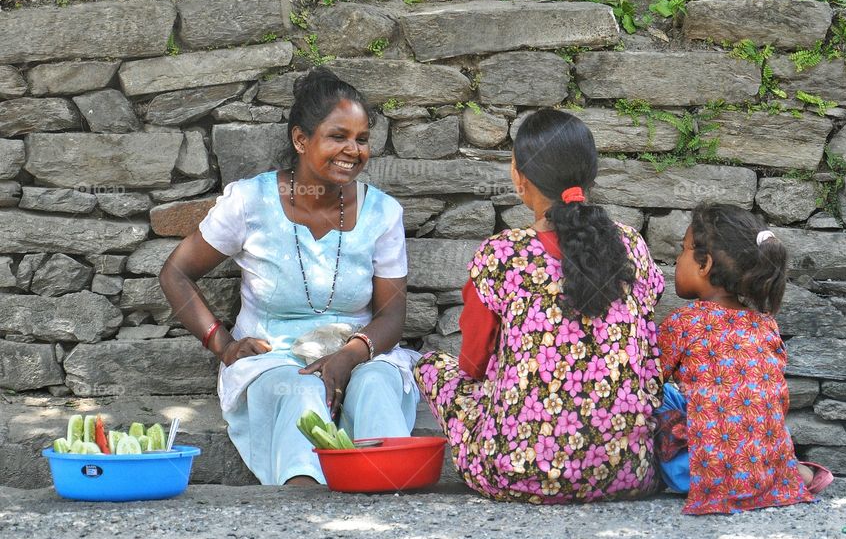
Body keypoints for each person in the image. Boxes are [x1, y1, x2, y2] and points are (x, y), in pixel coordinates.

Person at [159, 68, 419, 486]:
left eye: (362, 139)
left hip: (360, 352)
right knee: (299, 391)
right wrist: (222, 344)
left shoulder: (382, 212)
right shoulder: (251, 201)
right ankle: (301, 511)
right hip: (274, 360)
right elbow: (176, 272)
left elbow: (392, 315)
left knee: (376, 385)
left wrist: (349, 357)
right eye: (338, 136)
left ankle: (383, 502)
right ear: (301, 140)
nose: (353, 149)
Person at [415, 108, 665, 504]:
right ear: (589, 175)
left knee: (431, 367)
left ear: (519, 177)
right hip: (629, 472)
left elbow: (472, 366)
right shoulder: (631, 245)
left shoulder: (502, 254)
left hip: (515, 473)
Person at [655, 203, 833, 514]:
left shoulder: (684, 322)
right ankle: (792, 469)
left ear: (705, 264)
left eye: (682, 252)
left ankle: (707, 473)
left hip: (697, 475)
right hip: (764, 470)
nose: (676, 262)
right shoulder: (765, 324)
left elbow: (647, 379)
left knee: (660, 396)